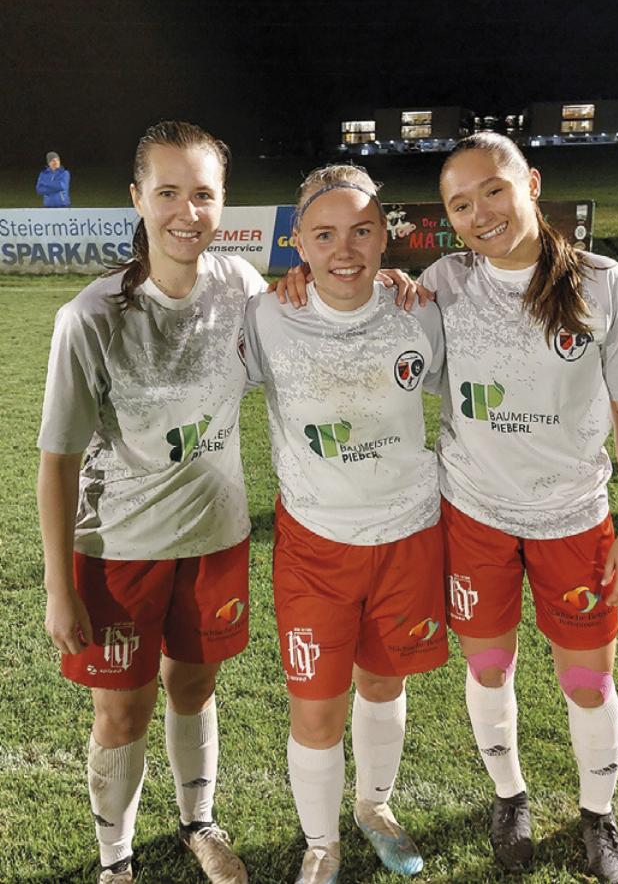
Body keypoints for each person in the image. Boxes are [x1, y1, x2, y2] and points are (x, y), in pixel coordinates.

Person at [419, 132, 618, 883]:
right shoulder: (441, 284)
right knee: (490, 666)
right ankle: (509, 795)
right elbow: (371, 339)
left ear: (530, 182)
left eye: (492, 189)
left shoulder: (603, 282)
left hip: (573, 518)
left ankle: (598, 813)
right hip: (474, 515)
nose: (480, 212)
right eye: (460, 204)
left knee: (588, 680)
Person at [37, 120, 265, 884]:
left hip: (217, 537)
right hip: (120, 551)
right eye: (167, 192)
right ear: (138, 198)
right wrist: (58, 585)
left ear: (222, 202)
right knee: (121, 714)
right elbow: (58, 461)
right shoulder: (91, 317)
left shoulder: (241, 288)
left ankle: (199, 822)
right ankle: (115, 862)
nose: (186, 212)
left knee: (194, 687)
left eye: (202, 194)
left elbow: (314, 320)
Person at [242, 164, 448, 884]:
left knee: (385, 685)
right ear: (299, 241)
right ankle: (320, 843)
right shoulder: (267, 315)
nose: (346, 250)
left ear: (384, 233)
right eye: (325, 235)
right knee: (316, 706)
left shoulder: (418, 310)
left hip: (408, 534)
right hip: (315, 546)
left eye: (362, 231)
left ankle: (374, 808)